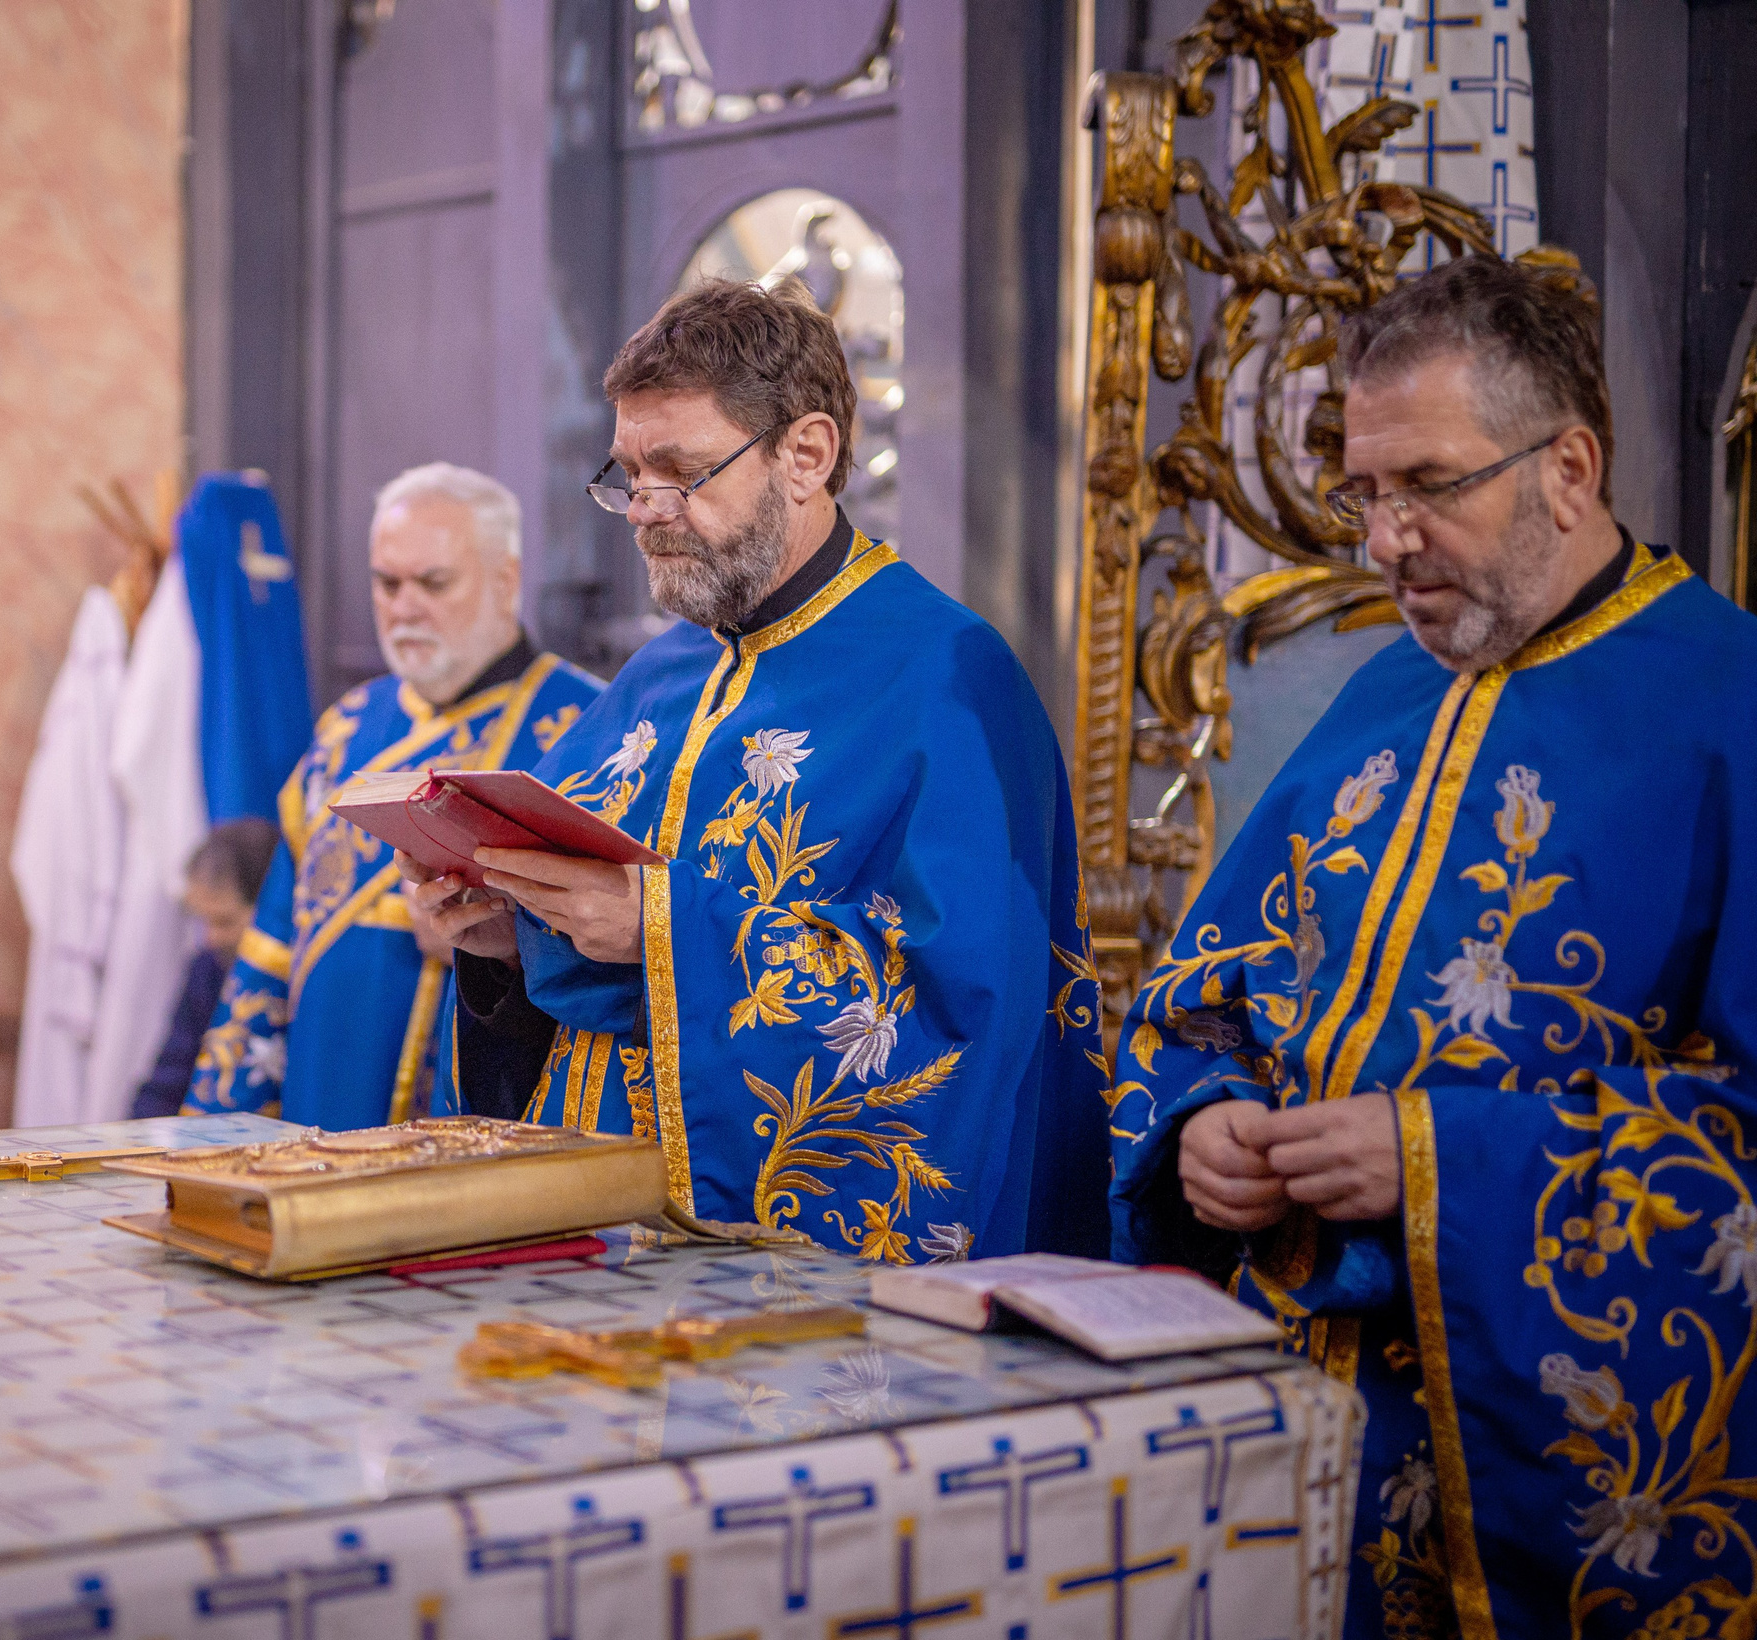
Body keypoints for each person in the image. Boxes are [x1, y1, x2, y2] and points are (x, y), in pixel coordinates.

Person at [1109, 254, 1757, 1640]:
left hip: (1539, 1490)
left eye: (1431, 485)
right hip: (1289, 1438)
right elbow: (1205, 991)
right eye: (1363, 492)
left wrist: (1432, 1154)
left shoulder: (1733, 710)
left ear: (1570, 467)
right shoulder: (1383, 690)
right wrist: (1202, 1115)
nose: (1388, 537)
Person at [409, 279, 1108, 1262]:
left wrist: (659, 927)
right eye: (627, 475)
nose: (645, 511)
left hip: (781, 1291)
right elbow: (594, 961)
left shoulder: (948, 680)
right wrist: (504, 942)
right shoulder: (655, 677)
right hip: (594, 1251)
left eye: (680, 472)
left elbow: (963, 1011)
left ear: (806, 455)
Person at [184, 464, 602, 1127]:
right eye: (387, 582)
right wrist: (218, 1132)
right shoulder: (345, 730)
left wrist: (503, 947)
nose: (404, 605)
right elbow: (271, 949)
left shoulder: (588, 729)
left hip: (488, 1127)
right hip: (320, 1124)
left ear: (506, 579)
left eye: (434, 582)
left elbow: (616, 961)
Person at [130, 819, 277, 1119]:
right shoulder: (208, 968)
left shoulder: (297, 977)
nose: (211, 937)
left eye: (224, 921)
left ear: (269, 910)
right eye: (204, 921)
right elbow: (169, 1078)